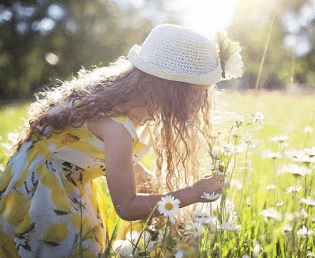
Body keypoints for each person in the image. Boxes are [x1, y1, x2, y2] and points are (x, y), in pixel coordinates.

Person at [0, 24, 242, 257]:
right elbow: (126, 207)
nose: (201, 103)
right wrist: (193, 193)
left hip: (60, 175)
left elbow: (100, 153)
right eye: (196, 91)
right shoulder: (118, 128)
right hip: (42, 188)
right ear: (169, 88)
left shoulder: (126, 100)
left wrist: (144, 175)